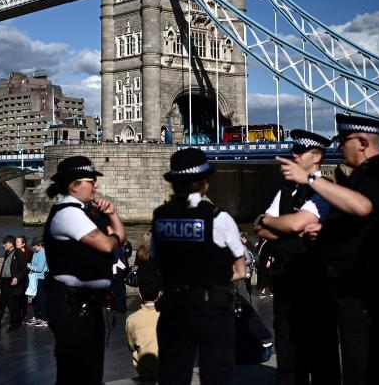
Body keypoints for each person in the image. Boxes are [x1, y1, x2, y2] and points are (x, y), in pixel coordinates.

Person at [291, 114, 379, 385]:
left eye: (344, 141)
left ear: (363, 142)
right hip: (359, 285)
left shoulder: (378, 176)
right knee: (365, 364)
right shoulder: (364, 176)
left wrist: (310, 178)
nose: (339, 147)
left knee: (363, 367)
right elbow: (359, 224)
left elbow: (362, 207)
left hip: (366, 288)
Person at [152, 147, 246, 385]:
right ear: (205, 183)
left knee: (173, 375)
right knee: (217, 375)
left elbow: (156, 257)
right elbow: (240, 270)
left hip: (173, 307)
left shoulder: (161, 217)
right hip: (210, 307)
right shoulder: (218, 217)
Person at [254, 129, 339, 384]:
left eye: (300, 151)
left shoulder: (326, 192)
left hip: (317, 287)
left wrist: (277, 224)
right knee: (288, 358)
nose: (294, 154)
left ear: (317, 157)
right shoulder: (285, 191)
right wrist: (289, 229)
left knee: (321, 359)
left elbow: (292, 223)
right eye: (294, 150)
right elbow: (259, 226)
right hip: (286, 285)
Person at [42, 155, 125, 385]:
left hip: (87, 304)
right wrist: (114, 236)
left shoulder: (84, 212)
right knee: (77, 374)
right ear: (74, 185)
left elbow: (120, 239)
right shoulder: (69, 214)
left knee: (91, 371)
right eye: (90, 180)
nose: (95, 185)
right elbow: (109, 244)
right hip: (72, 306)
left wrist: (112, 214)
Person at [0, 235, 27, 332]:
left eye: (6, 243)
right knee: (1, 305)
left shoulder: (19, 253)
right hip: (5, 282)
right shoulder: (7, 253)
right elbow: (4, 267)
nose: (4, 245)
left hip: (13, 282)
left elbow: (24, 269)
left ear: (11, 244)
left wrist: (17, 278)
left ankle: (15, 325)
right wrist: (0, 280)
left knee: (13, 305)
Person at [126, 283, 161, 382]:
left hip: (146, 369)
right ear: (159, 295)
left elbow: (131, 346)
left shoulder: (132, 319)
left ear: (140, 295)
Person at [28, 238, 48, 326]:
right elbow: (33, 264)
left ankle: (44, 319)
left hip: (41, 279)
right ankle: (37, 317)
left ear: (40, 245)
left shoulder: (43, 253)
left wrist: (30, 267)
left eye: (35, 246)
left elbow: (39, 269)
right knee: (35, 299)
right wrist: (31, 266)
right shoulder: (36, 253)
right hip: (35, 278)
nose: (33, 247)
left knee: (41, 299)